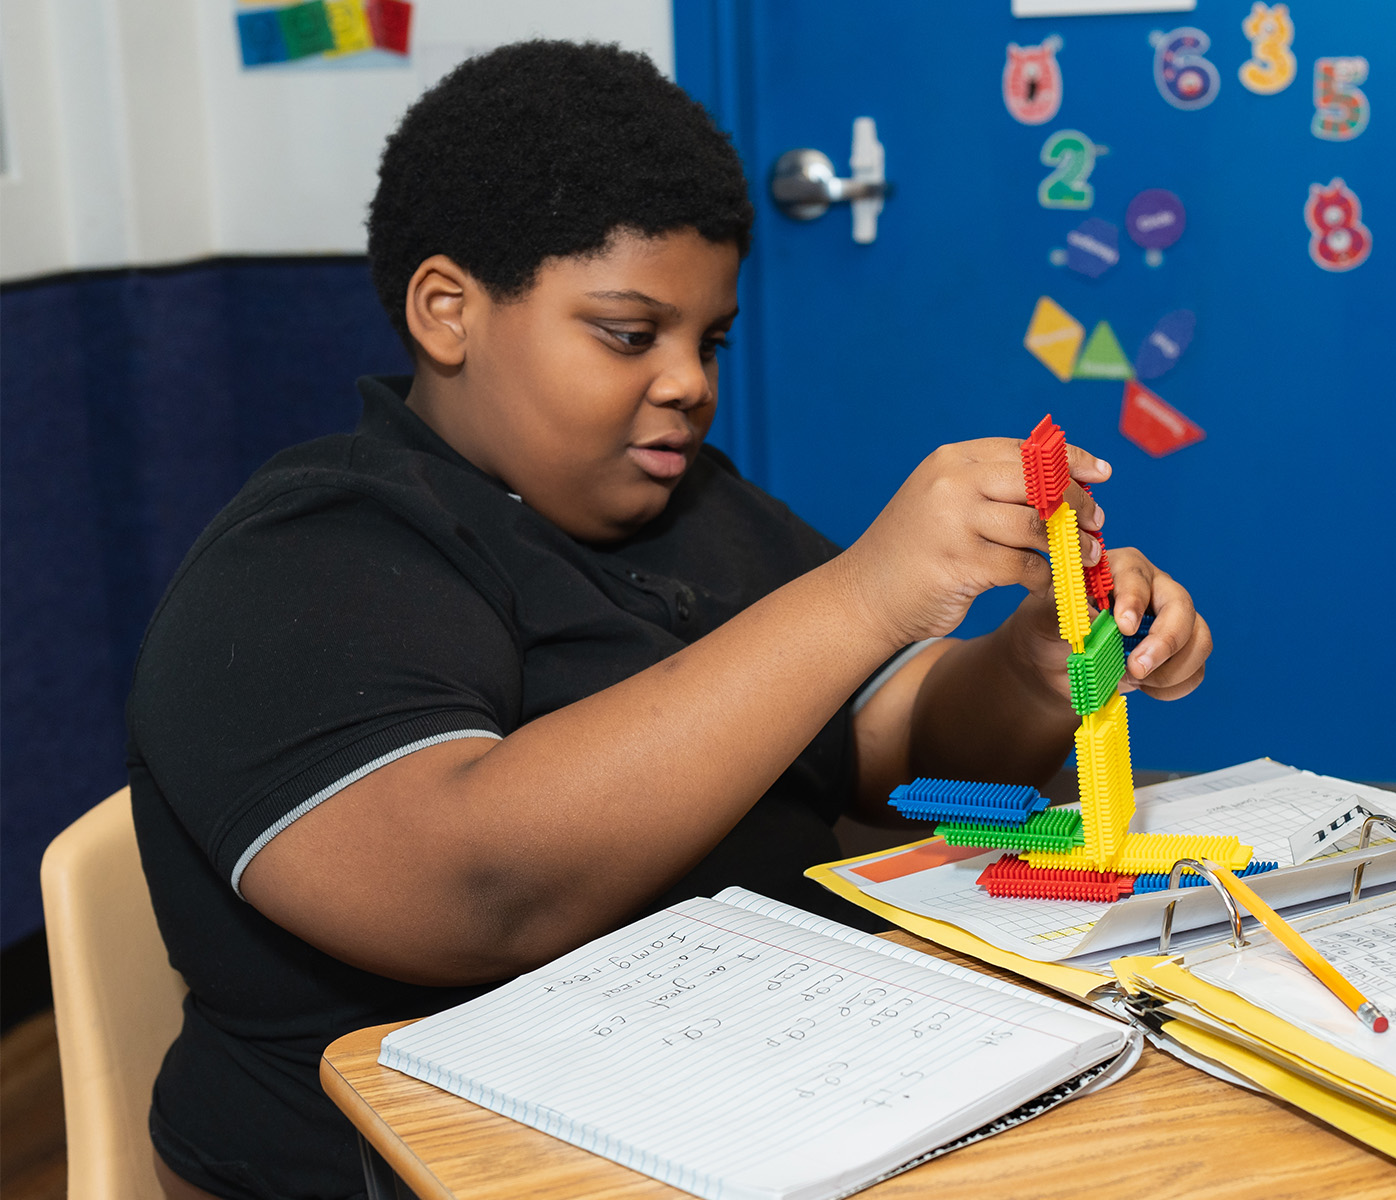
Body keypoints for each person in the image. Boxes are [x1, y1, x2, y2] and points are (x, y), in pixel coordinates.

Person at [127, 40, 1212, 1200]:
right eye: (630, 333)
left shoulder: (698, 505)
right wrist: (860, 595)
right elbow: (475, 894)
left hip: (766, 1099)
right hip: (419, 1160)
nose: (692, 382)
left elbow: (891, 746)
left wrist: (1036, 665)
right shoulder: (310, 553)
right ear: (448, 312)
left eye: (711, 340)